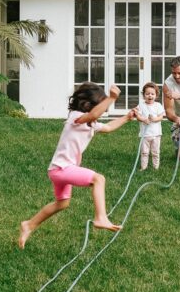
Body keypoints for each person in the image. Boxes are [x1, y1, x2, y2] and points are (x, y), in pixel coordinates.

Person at [19, 82, 135, 249]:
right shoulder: (75, 117)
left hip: (59, 170)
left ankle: (28, 225)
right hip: (62, 169)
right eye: (100, 105)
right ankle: (100, 217)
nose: (103, 109)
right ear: (88, 105)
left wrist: (126, 117)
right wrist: (111, 98)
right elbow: (92, 115)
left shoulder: (91, 124)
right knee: (98, 179)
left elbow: (108, 127)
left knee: (62, 203)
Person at [134, 82, 165, 171]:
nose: (150, 96)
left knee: (155, 152)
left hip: (156, 134)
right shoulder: (141, 106)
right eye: (147, 94)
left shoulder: (158, 105)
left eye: (152, 94)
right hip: (145, 135)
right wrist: (144, 119)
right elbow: (138, 116)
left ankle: (156, 167)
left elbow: (161, 117)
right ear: (144, 95)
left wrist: (154, 119)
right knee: (144, 152)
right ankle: (144, 167)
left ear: (156, 95)